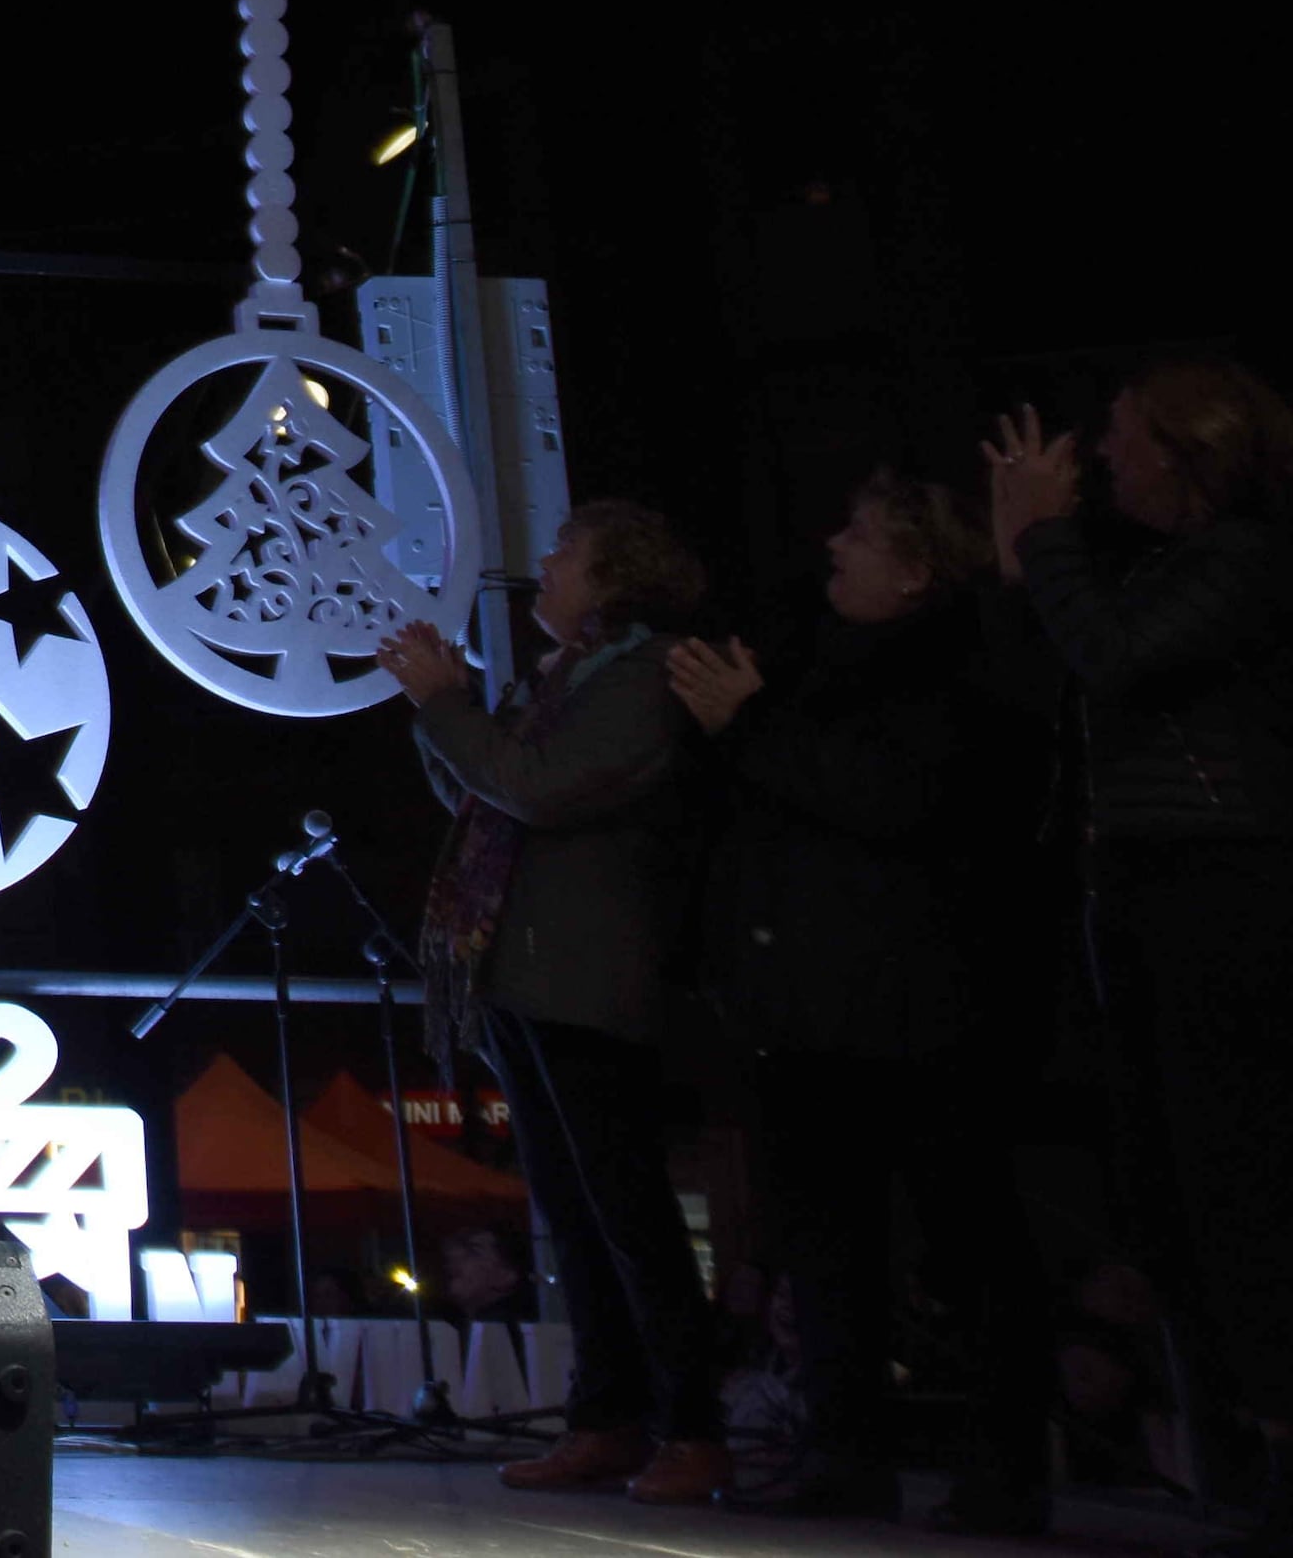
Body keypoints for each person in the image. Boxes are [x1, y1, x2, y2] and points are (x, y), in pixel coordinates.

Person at [990, 362, 1293, 1558]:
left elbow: (1111, 656)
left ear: (1189, 451)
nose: (1105, 458)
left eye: (1122, 439)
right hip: (1156, 895)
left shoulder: (1250, 561)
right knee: (1191, 1198)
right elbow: (1066, 660)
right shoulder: (1168, 567)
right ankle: (1281, 1454)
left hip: (1243, 894)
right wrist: (1029, 560)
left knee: (1268, 1183)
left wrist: (1043, 539)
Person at [668, 468, 1056, 1525]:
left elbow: (890, 798)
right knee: (826, 1243)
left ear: (917, 568)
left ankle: (1004, 1464)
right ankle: (845, 1449)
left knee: (963, 1240)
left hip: (920, 1003)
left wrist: (746, 727)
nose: (832, 547)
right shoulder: (816, 667)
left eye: (859, 535)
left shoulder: (962, 668)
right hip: (808, 1006)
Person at [384, 497, 728, 1506]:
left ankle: (689, 1426)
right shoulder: (566, 677)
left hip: (584, 977)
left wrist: (446, 707)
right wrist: (439, 710)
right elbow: (485, 791)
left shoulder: (637, 678)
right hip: (528, 973)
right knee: (573, 1215)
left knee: (624, 1211)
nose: (544, 564)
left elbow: (534, 788)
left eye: (565, 552)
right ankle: (607, 1417)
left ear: (614, 574)